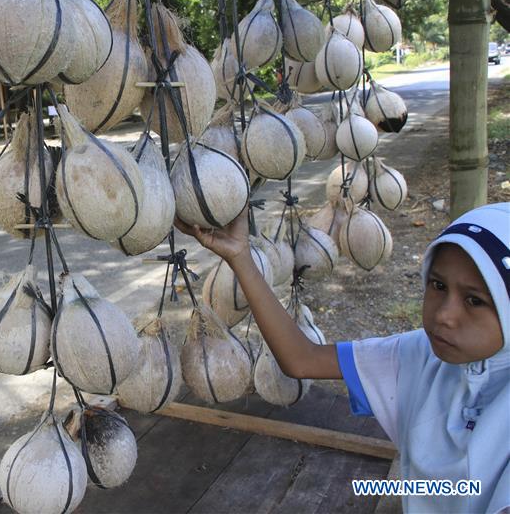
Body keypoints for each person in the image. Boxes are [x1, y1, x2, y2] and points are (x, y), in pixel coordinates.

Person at [176, 202, 510, 514]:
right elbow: (302, 359)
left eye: (475, 301)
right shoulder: (419, 354)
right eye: (438, 285)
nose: (445, 315)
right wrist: (240, 257)